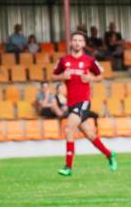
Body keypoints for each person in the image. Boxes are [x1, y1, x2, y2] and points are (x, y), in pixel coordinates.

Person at [50, 31, 117, 176]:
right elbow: (52, 76)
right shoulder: (63, 60)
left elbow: (100, 76)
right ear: (70, 43)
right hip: (71, 103)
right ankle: (109, 154)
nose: (77, 43)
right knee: (90, 135)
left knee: (68, 129)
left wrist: (90, 78)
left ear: (84, 44)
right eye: (74, 40)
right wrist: (62, 76)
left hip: (84, 101)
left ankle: (68, 166)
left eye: (80, 41)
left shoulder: (89, 60)